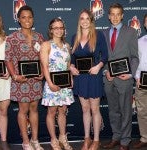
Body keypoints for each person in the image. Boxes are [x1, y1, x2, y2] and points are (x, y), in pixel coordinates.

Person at [5, 5, 44, 150]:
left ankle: (35, 140)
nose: (27, 20)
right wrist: (14, 75)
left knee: (34, 109)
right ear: (18, 20)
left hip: (35, 81)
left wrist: (42, 72)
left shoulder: (39, 37)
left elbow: (43, 58)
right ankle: (26, 142)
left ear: (33, 19)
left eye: (29, 17)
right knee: (23, 110)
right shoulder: (12, 37)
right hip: (20, 80)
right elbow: (8, 59)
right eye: (23, 17)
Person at [70, 9, 108, 150]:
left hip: (93, 76)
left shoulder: (98, 35)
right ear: (79, 21)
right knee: (85, 109)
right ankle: (87, 139)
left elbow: (105, 55)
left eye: (87, 18)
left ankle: (96, 140)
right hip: (80, 77)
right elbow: (72, 57)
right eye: (82, 18)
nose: (84, 21)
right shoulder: (75, 37)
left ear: (91, 21)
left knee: (94, 109)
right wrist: (71, 66)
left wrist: (99, 66)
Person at [102, 3, 139, 150]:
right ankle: (116, 137)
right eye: (112, 14)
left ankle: (125, 141)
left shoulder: (130, 32)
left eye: (118, 14)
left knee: (126, 111)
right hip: (109, 79)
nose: (115, 17)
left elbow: (135, 57)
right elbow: (101, 57)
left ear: (122, 15)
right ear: (109, 16)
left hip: (124, 79)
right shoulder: (103, 33)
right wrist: (106, 72)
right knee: (113, 111)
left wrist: (130, 74)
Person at [40, 18, 74, 150]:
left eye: (61, 28)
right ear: (51, 30)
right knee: (51, 112)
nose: (59, 30)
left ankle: (62, 137)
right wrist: (50, 83)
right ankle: (53, 140)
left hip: (64, 85)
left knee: (63, 111)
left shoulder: (67, 46)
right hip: (51, 84)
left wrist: (70, 79)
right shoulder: (46, 45)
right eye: (56, 28)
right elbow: (45, 67)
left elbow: (67, 65)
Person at [0, 12, 11, 150]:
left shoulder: (7, 39)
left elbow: (11, 60)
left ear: (1, 23)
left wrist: (9, 71)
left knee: (3, 110)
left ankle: (3, 141)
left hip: (5, 80)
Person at [133, 14, 147, 149]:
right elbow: (136, 61)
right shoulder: (140, 41)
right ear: (144, 24)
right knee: (142, 112)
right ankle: (144, 138)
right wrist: (137, 77)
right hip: (141, 82)